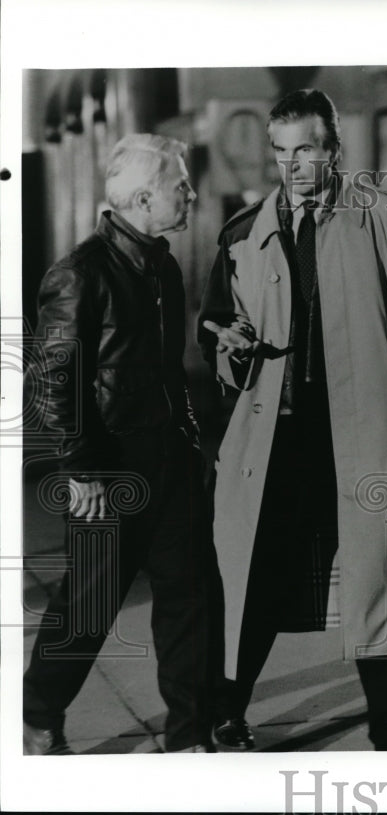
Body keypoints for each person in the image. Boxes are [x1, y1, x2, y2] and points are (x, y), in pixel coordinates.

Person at [198, 89, 387, 751]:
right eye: (281, 151)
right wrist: (230, 352)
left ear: (334, 149)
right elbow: (221, 331)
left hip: (363, 439)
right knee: (260, 579)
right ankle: (228, 715)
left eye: (305, 148)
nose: (293, 164)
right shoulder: (244, 233)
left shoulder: (383, 220)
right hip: (281, 442)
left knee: (373, 582)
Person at [23, 134, 216, 754]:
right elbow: (55, 381)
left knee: (188, 599)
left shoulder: (159, 264)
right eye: (180, 185)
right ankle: (37, 714)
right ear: (142, 197)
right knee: (89, 603)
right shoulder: (78, 275)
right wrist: (83, 472)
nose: (191, 194)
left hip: (170, 460)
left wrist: (190, 441)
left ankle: (189, 735)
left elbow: (167, 366)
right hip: (110, 467)